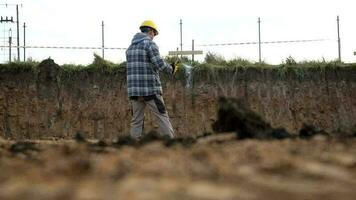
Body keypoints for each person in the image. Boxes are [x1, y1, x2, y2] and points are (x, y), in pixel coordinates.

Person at [126, 20, 176, 140]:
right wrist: (172, 68)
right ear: (151, 31)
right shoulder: (150, 44)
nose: (154, 37)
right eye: (155, 34)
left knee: (136, 120)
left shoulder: (130, 47)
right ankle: (171, 143)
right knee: (162, 116)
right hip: (151, 90)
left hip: (134, 92)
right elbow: (159, 64)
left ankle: (133, 146)